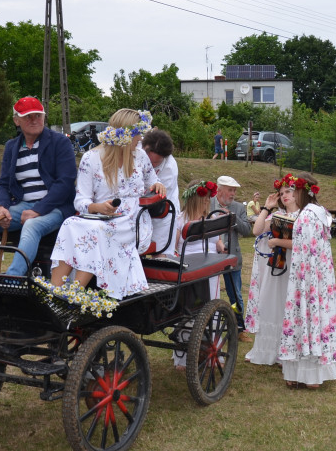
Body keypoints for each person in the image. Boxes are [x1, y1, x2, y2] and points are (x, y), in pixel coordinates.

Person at [49, 109, 162, 298]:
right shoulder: (91, 158)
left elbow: (153, 179)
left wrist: (157, 184)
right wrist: (97, 207)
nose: (140, 138)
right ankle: (54, 291)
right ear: (125, 136)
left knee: (97, 232)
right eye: (137, 134)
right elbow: (81, 201)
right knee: (69, 224)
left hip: (131, 219)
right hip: (99, 215)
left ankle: (73, 294)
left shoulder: (140, 156)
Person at [0, 97, 77, 277]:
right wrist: (1, 207)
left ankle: (13, 279)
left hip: (56, 207)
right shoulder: (11, 146)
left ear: (44, 117)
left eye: (38, 115)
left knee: (31, 225)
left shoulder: (60, 142)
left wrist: (38, 210)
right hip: (23, 206)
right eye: (28, 117)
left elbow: (65, 182)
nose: (34, 120)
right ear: (16, 120)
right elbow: (3, 183)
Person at [278, 172, 336, 388]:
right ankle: (311, 374)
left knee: (304, 316)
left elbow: (304, 250)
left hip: (306, 278)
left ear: (301, 191)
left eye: (293, 189)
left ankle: (305, 375)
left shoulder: (307, 216)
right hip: (320, 277)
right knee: (318, 316)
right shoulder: (321, 212)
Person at [244, 177, 301, 366]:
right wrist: (268, 207)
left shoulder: (304, 214)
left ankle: (290, 348)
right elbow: (257, 230)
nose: (285, 196)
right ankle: (272, 349)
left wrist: (277, 242)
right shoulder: (277, 216)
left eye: (288, 191)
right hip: (277, 266)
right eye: (282, 193)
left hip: (296, 266)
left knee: (290, 304)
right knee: (274, 303)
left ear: (297, 193)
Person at [173, 180, 224, 371]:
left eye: (208, 199)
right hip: (189, 266)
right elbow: (175, 245)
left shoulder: (211, 217)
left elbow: (217, 242)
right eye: (203, 199)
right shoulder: (181, 218)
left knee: (210, 307)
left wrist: (220, 246)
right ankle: (183, 357)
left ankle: (210, 351)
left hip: (210, 265)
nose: (206, 202)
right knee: (188, 310)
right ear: (195, 198)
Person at [212, 175, 253, 342]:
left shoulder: (238, 207)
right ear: (219, 190)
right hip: (210, 258)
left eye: (234, 190)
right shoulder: (207, 204)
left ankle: (239, 327)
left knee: (235, 294)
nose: (233, 194)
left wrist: (233, 217)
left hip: (232, 257)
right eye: (230, 190)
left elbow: (247, 231)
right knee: (209, 293)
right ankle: (209, 326)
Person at [142, 127, 181, 256]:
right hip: (141, 212)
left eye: (156, 162)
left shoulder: (170, 168)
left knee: (160, 251)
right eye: (149, 161)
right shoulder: (138, 152)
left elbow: (155, 194)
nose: (151, 166)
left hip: (163, 212)